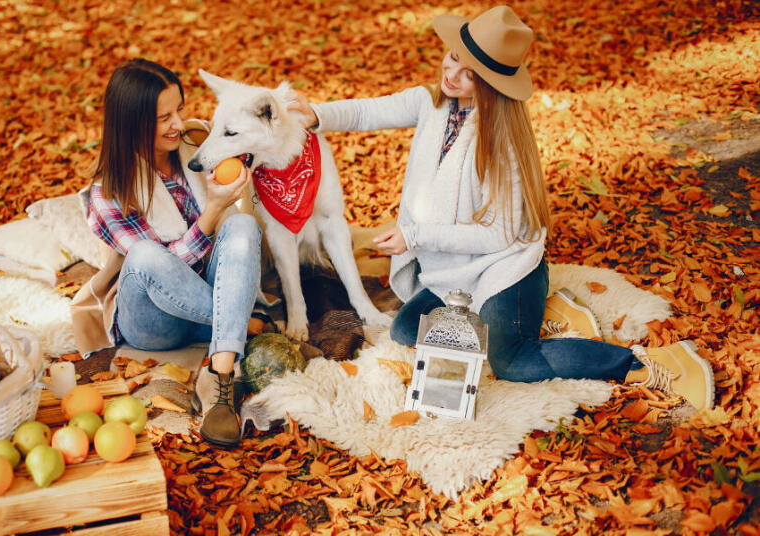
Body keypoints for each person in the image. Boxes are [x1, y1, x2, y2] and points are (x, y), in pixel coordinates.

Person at [289, 6, 714, 410]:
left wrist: (413, 236)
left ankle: (638, 365)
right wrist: (315, 114)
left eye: (468, 75)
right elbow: (367, 112)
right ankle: (548, 319)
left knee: (513, 361)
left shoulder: (502, 143)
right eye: (452, 59)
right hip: (450, 271)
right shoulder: (431, 103)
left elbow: (499, 236)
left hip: (502, 267)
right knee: (404, 330)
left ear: (490, 84)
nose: (451, 75)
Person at [70, 58, 262, 446]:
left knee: (243, 225)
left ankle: (221, 376)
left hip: (204, 303)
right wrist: (212, 209)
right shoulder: (109, 192)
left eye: (180, 109)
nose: (178, 123)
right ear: (133, 124)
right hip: (152, 321)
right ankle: (238, 323)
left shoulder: (197, 146)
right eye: (163, 117)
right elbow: (164, 270)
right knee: (143, 255)